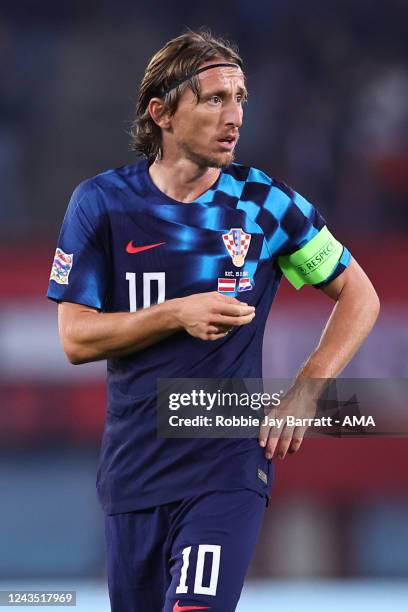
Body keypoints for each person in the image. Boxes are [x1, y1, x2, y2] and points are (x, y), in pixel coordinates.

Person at [47, 29, 380, 612]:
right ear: (162, 113)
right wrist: (177, 312)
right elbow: (75, 339)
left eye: (241, 98)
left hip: (226, 465)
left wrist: (307, 390)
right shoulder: (101, 205)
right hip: (133, 472)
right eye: (214, 99)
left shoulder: (265, 204)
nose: (235, 116)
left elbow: (361, 294)